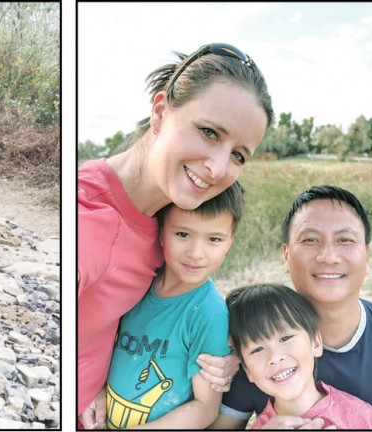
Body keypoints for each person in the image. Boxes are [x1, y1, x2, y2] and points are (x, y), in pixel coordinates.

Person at [78, 42, 274, 429]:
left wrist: (219, 352)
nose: (218, 168)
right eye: (208, 132)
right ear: (160, 111)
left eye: (239, 155)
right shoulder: (86, 217)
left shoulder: (167, 220)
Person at [211, 185, 372, 429]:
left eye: (345, 240)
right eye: (310, 240)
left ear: (366, 256)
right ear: (286, 255)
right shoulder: (249, 342)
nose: (328, 256)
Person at [104, 181, 244, 429]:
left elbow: (205, 408)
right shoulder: (137, 283)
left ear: (230, 241)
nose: (196, 253)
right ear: (160, 232)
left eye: (214, 239)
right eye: (182, 234)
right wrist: (97, 393)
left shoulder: (209, 314)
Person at [225, 283, 372, 429]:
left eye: (285, 338)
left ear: (315, 342)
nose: (275, 357)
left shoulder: (361, 415)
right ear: (247, 370)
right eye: (257, 349)